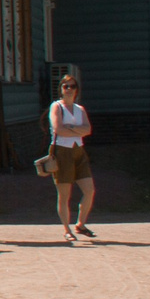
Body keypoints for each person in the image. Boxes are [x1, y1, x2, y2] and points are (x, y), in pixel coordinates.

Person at [49, 72, 96, 241]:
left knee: (89, 190)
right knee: (64, 194)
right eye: (65, 86)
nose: (69, 89)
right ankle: (66, 229)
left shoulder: (79, 109)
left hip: (78, 151)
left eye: (72, 86)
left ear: (77, 90)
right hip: (62, 151)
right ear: (61, 89)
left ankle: (80, 224)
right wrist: (77, 130)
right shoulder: (57, 107)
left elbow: (88, 130)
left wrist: (70, 128)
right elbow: (58, 129)